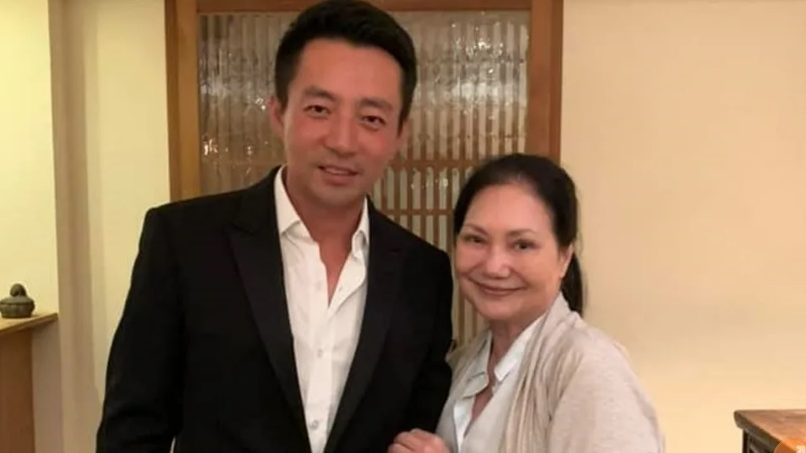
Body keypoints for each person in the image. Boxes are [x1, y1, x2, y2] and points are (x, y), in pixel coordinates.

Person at [97, 1, 453, 452]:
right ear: (278, 112)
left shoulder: (424, 273)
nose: (343, 141)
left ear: (400, 133)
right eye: (320, 109)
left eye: (371, 119)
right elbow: (132, 430)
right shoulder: (184, 242)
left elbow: (418, 430)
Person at [389, 154, 664, 453]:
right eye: (476, 240)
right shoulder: (462, 365)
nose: (494, 266)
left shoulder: (591, 367)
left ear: (564, 257)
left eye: (522, 245)